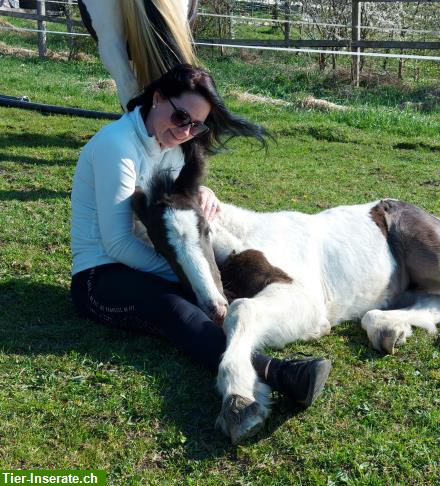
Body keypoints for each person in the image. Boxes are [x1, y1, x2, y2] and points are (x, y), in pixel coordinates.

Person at [70, 63, 332, 415]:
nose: (185, 132)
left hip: (147, 263)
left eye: (196, 125)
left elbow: (169, 208)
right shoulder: (117, 146)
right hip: (100, 276)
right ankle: (280, 374)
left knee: (209, 295)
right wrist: (189, 278)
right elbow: (117, 243)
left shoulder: (171, 147)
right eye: (180, 118)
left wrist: (201, 192)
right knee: (174, 308)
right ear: (158, 97)